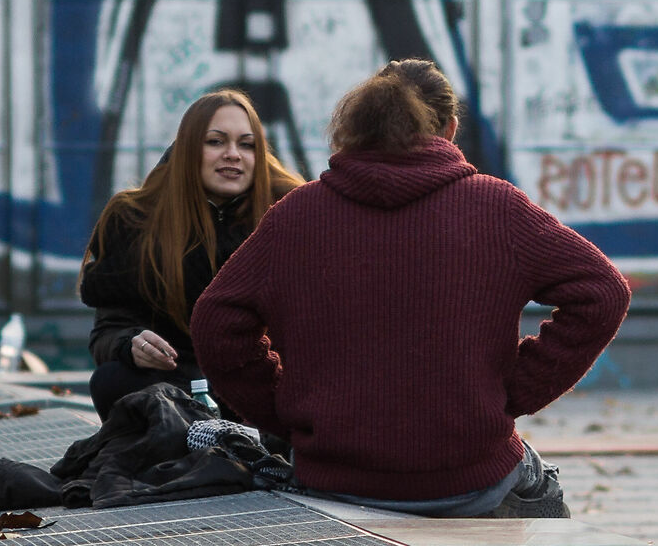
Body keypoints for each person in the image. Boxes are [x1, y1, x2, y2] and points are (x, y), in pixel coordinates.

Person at [191, 59, 630, 516]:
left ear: (357, 129)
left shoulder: (296, 215)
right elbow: (603, 292)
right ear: (451, 128)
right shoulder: (497, 207)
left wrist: (285, 412)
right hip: (470, 481)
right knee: (544, 489)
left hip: (332, 482)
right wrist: (511, 394)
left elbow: (216, 323)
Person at [79, 89, 302, 419]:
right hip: (174, 388)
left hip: (258, 388)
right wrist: (130, 345)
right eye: (215, 142)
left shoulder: (290, 214)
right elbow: (107, 331)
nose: (233, 154)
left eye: (246, 144)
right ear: (187, 150)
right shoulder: (135, 218)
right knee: (112, 380)